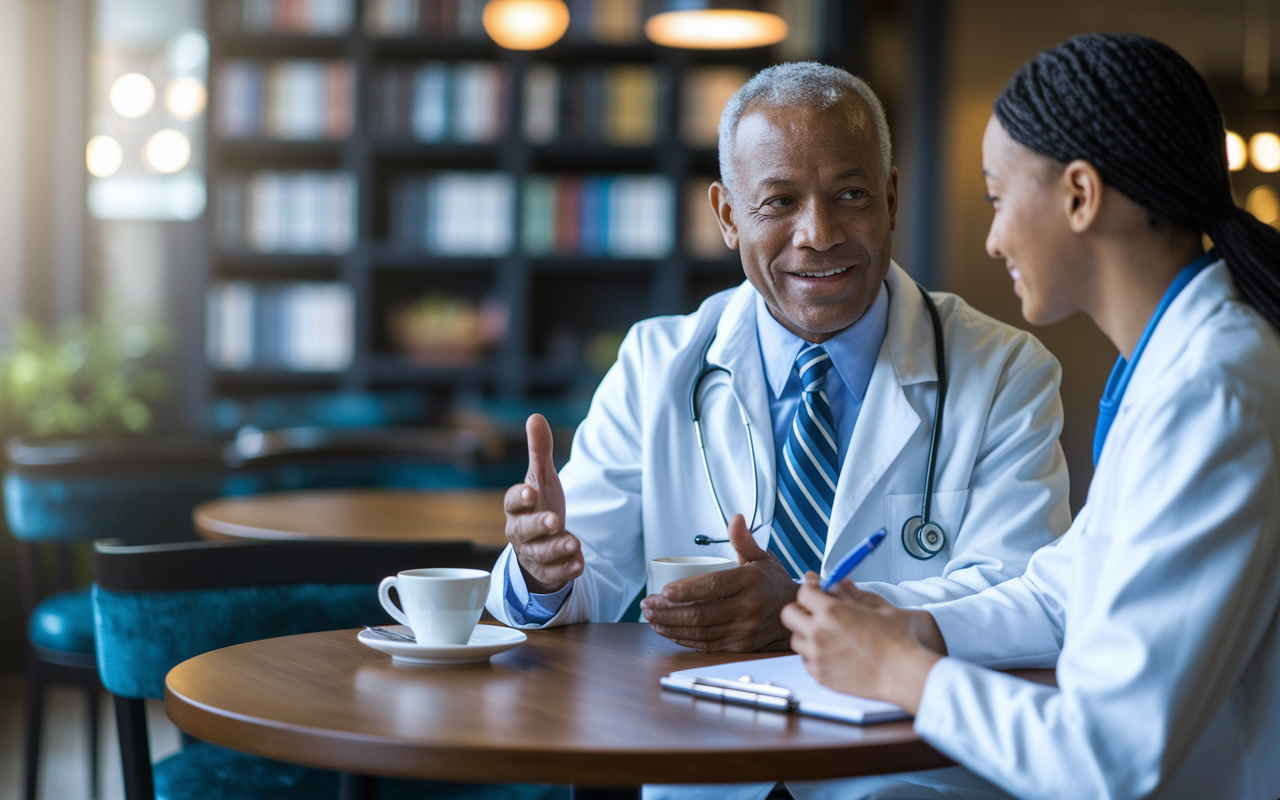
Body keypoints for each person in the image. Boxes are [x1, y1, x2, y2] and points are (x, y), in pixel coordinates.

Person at [782, 33, 1280, 800]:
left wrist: (901, 673)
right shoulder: (1167, 371)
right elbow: (1060, 592)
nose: (991, 238)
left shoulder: (1209, 393)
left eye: (996, 198)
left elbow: (1107, 757)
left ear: (1080, 196)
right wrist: (905, 625)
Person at [485, 62, 1071, 656]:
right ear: (729, 217)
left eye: (851, 195)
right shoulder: (652, 365)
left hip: (905, 734)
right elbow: (588, 584)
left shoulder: (1004, 371)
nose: (818, 233)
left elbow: (1020, 598)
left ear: (890, 199)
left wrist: (797, 609)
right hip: (700, 729)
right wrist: (541, 571)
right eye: (779, 201)